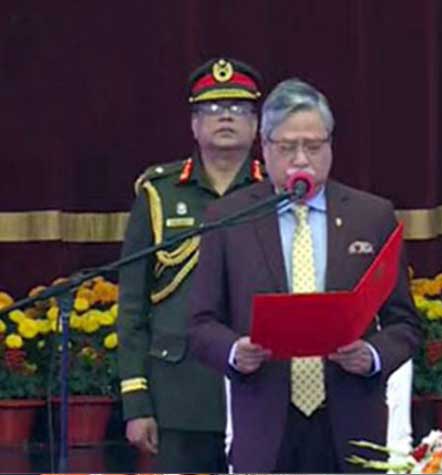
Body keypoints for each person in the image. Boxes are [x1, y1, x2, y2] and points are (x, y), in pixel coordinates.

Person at [187, 78, 421, 473]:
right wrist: (234, 351)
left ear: (330, 146)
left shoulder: (371, 216)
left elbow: (405, 324)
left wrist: (372, 355)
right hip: (266, 425)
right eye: (287, 147)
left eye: (313, 146)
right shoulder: (229, 219)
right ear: (265, 148)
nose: (301, 159)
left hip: (350, 424)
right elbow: (199, 325)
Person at [116, 57, 265, 472]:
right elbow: (132, 307)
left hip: (261, 385)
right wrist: (136, 402)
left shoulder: (275, 192)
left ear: (256, 125)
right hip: (179, 393)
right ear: (194, 125)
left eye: (238, 109)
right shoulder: (158, 193)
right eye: (212, 109)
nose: (225, 118)